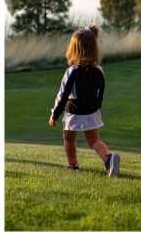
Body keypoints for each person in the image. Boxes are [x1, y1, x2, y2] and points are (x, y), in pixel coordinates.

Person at [49, 25, 119, 177]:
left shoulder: (72, 71)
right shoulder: (99, 70)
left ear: (74, 49)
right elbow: (101, 92)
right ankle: (108, 158)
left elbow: (63, 94)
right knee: (94, 140)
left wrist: (54, 115)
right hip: (92, 112)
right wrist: (96, 107)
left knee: (69, 139)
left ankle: (73, 165)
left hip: (73, 111)